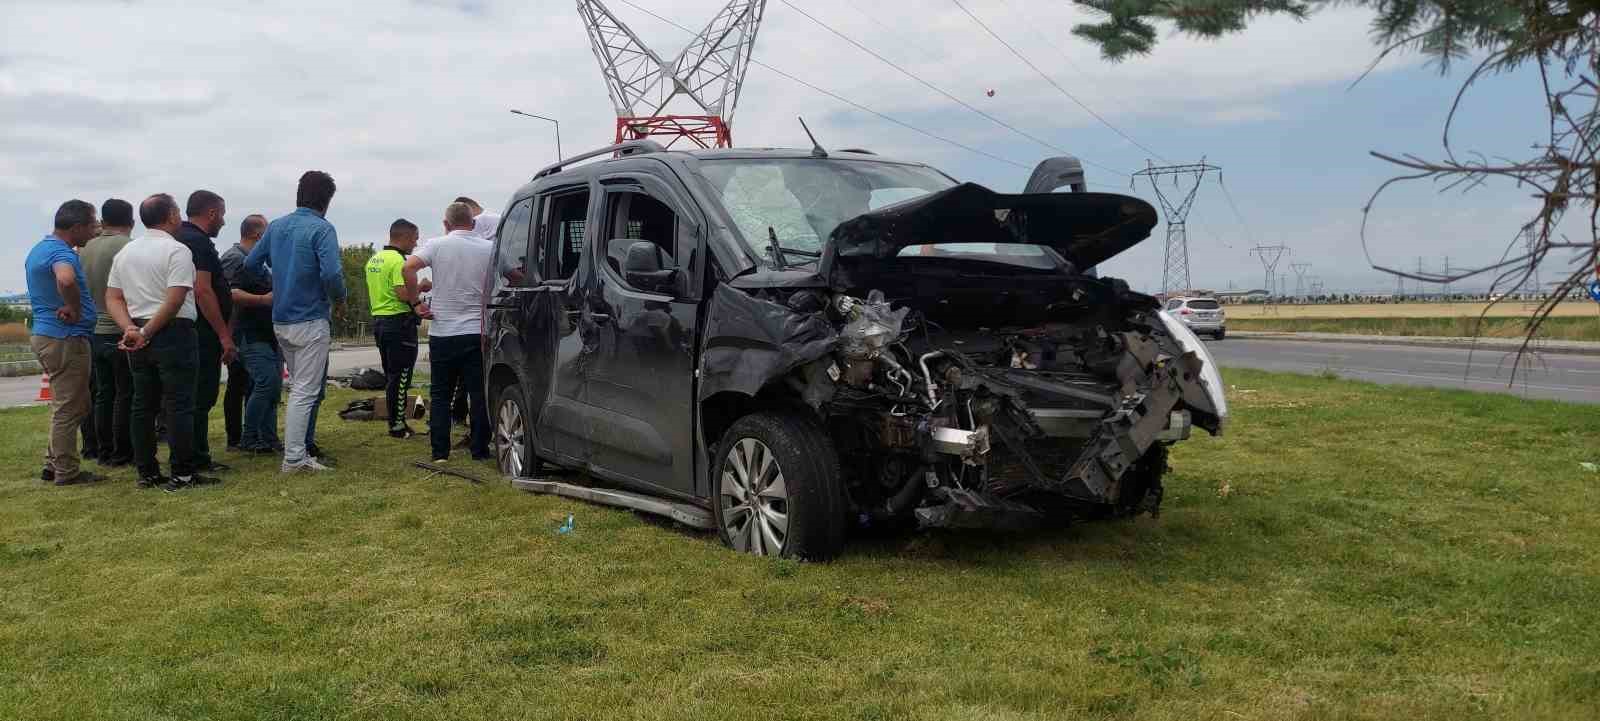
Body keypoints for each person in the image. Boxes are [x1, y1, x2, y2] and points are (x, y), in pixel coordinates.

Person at [105, 193, 219, 491]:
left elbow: (113, 297)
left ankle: (147, 471)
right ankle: (182, 472)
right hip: (173, 330)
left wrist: (131, 328)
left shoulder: (126, 253)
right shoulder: (177, 250)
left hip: (138, 330)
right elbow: (176, 296)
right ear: (170, 216)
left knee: (143, 404)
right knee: (179, 404)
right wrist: (147, 332)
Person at [245, 171, 346, 473]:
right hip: (311, 319)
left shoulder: (276, 226)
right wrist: (339, 299)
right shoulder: (322, 229)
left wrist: (279, 280)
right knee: (305, 391)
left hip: (281, 320)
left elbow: (251, 263)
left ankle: (296, 452)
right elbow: (331, 274)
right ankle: (294, 458)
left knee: (299, 389)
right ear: (327, 200)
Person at [403, 202, 493, 462]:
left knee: (441, 394)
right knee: (478, 394)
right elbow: (512, 274)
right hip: (477, 332)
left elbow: (408, 267)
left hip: (443, 332)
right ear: (474, 223)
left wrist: (416, 304)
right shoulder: (489, 248)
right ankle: (479, 450)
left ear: (446, 224)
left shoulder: (437, 245)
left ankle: (440, 452)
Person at [26, 199, 104, 486]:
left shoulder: (40, 249)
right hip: (65, 338)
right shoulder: (62, 253)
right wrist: (73, 307)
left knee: (66, 404)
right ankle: (67, 472)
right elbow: (66, 279)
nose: (94, 230)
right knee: (70, 407)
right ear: (76, 227)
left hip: (48, 335)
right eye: (91, 224)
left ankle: (53, 463)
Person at [174, 190, 237, 474]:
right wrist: (224, 335)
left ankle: (191, 453)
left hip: (186, 330)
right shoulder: (197, 243)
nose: (223, 221)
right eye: (221, 215)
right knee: (201, 397)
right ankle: (197, 456)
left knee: (188, 398)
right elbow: (202, 290)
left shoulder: (178, 238)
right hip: (202, 333)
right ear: (211, 213)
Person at [78, 198, 136, 467]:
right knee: (125, 393)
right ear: (130, 220)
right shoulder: (127, 246)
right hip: (118, 328)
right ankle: (121, 450)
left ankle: (102, 449)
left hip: (93, 329)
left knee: (103, 392)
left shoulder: (86, 247)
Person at [220, 214, 281, 453]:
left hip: (265, 333)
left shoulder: (260, 261)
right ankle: (245, 437)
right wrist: (263, 300)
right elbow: (227, 294)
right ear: (259, 235)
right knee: (263, 384)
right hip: (247, 333)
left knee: (269, 387)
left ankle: (267, 438)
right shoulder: (235, 258)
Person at [366, 218, 425, 439]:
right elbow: (402, 293)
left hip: (380, 321)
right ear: (406, 237)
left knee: (392, 375)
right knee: (401, 378)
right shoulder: (399, 261)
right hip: (399, 323)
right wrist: (420, 289)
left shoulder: (375, 259)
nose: (416, 244)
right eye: (415, 239)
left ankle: (395, 422)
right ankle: (398, 426)